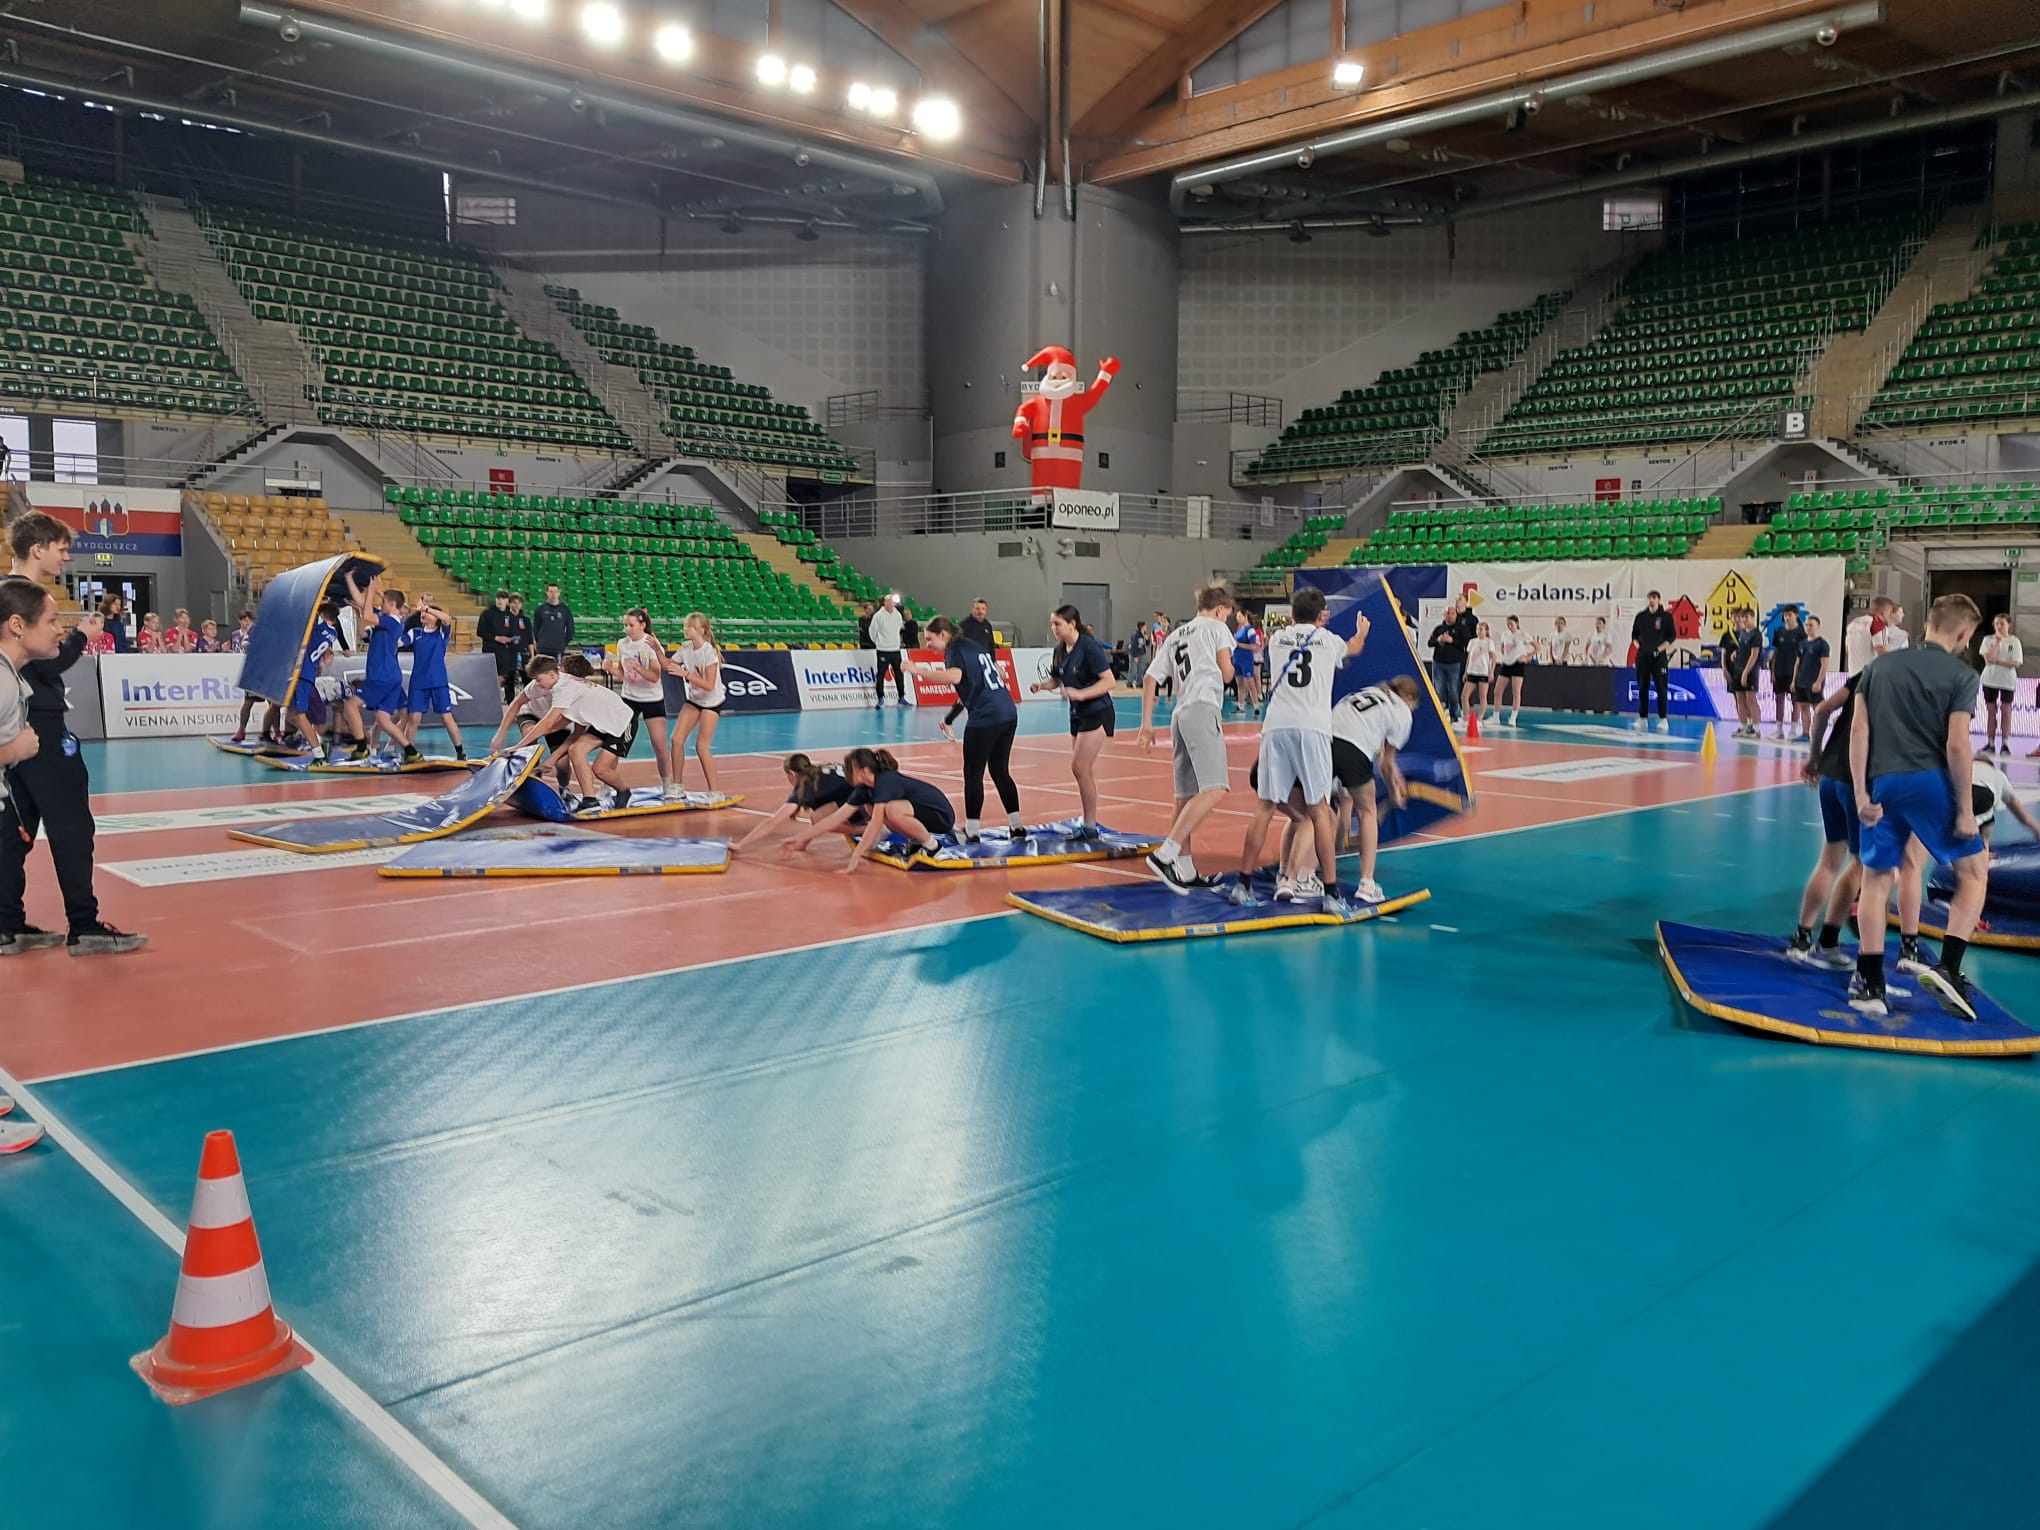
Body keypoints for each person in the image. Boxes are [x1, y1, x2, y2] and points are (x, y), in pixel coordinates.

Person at [3, 518, 141, 957]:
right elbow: (46, 662)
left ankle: (7, 923)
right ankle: (83, 924)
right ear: (38, 548)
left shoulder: (9, 593)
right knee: (72, 826)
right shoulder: (22, 600)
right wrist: (82, 637)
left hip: (19, 725)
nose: (66, 557)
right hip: (39, 726)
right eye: (61, 549)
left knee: (15, 830)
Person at [1849, 593, 1988, 1019]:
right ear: (1963, 634)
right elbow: (1958, 745)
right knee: (1974, 872)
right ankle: (1949, 967)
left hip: (1882, 782)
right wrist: (1965, 810)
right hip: (1929, 783)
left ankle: (1870, 984)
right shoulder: (1963, 675)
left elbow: (1858, 731)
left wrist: (1861, 794)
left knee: (1876, 880)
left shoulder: (1878, 667)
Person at [1235, 586, 1369, 913]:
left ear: (1292, 614)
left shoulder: (1278, 639)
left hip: (1277, 725)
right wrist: (1361, 632)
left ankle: (1243, 884)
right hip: (1312, 727)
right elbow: (1353, 648)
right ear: (1322, 615)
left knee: (1265, 807)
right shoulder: (1329, 641)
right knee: (1319, 810)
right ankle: (1331, 893)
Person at [915, 615, 1022, 839]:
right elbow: (983, 676)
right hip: (1007, 712)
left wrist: (918, 671)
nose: (928, 644)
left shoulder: (954, 650)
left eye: (930, 639)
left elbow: (955, 676)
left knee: (973, 774)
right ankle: (1017, 826)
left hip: (986, 717)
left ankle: (972, 832)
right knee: (1000, 771)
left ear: (944, 635)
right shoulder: (973, 645)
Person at [784, 745, 957, 874]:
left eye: (849, 769)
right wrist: (799, 838)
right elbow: (836, 818)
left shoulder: (885, 781)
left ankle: (934, 847)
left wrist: (855, 857)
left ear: (863, 770)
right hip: (920, 813)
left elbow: (876, 824)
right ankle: (917, 840)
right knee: (874, 809)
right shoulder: (864, 789)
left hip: (940, 815)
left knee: (891, 810)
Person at [1327, 675, 1418, 904]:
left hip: (1323, 742)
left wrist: (1396, 777)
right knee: (1367, 811)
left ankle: (1297, 873)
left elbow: (1383, 756)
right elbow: (1385, 763)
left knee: (1317, 810)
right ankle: (1367, 883)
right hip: (1353, 749)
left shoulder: (1372, 693)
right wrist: (1394, 794)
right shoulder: (1402, 712)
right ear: (1409, 698)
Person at [1032, 604, 1117, 837]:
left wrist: (1081, 694)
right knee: (1083, 770)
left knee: (1079, 767)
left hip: (1097, 711)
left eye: (1058, 623)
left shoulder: (1089, 647)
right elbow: (1057, 679)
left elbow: (1109, 681)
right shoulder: (1060, 650)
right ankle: (1087, 821)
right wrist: (1042, 686)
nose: (1054, 628)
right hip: (1077, 714)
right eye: (1052, 623)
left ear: (1072, 624)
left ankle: (1090, 826)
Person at [513, 655, 638, 813]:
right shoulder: (562, 685)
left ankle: (624, 791)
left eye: (538, 679)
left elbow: (547, 724)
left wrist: (518, 746)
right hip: (602, 723)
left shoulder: (563, 689)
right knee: (576, 750)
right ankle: (590, 800)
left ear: (551, 675)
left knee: (601, 770)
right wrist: (553, 758)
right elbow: (574, 732)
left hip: (622, 722)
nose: (537, 684)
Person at [732, 752, 864, 855]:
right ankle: (863, 826)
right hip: (867, 801)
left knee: (818, 818)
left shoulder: (807, 786)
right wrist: (803, 842)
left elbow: (773, 821)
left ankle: (861, 829)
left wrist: (741, 844)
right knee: (820, 812)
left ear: (792, 774)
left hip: (862, 807)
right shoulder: (823, 771)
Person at [607, 607, 671, 795]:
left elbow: (655, 677)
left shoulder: (651, 644)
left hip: (652, 699)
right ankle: (607, 782)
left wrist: (638, 667)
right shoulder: (622, 644)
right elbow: (622, 675)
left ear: (642, 624)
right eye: (625, 625)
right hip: (629, 698)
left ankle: (668, 784)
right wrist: (611, 669)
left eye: (631, 625)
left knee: (659, 744)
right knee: (617, 741)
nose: (627, 629)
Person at [664, 612, 725, 797]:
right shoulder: (685, 648)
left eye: (689, 627)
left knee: (701, 747)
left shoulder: (709, 652)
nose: (685, 629)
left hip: (711, 702)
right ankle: (677, 785)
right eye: (685, 626)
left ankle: (714, 791)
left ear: (701, 630)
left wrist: (686, 674)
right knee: (676, 740)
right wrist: (656, 649)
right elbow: (668, 665)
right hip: (694, 700)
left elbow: (708, 685)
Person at [403, 598, 465, 761]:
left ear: (435, 618)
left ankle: (460, 751)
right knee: (413, 718)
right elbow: (400, 642)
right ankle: (409, 753)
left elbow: (447, 619)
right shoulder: (416, 632)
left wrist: (427, 608)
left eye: (428, 613)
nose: (423, 614)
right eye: (422, 613)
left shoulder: (441, 633)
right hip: (418, 682)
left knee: (446, 717)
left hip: (438, 681)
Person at [360, 589, 418, 762]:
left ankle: (389, 747)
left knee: (400, 714)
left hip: (390, 675)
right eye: (402, 613)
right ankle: (375, 747)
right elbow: (367, 625)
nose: (403, 616)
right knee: (383, 717)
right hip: (388, 674)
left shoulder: (397, 628)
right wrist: (375, 592)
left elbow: (398, 639)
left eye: (405, 614)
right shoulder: (384, 627)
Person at [1970, 756, 2040, 846]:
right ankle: (1985, 847)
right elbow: (2023, 816)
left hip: (1961, 795)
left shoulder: (1965, 767)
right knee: (1987, 821)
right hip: (1984, 797)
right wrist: (2037, 831)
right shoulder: (1999, 775)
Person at [1630, 590, 1675, 732]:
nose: (1651, 600)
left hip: (1658, 658)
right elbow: (1634, 636)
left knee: (1661, 688)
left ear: (1659, 600)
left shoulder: (1666, 617)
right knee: (1643, 688)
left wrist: (1659, 649)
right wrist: (1640, 647)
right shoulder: (1641, 617)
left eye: (1654, 598)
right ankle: (1642, 718)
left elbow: (1671, 637)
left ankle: (1663, 719)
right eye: (1649, 597)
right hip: (1643, 658)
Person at [1978, 613, 2022, 757]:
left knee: (2006, 711)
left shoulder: (2014, 641)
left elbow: (2015, 662)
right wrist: (1997, 643)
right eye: (1996, 624)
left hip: (2007, 681)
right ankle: (1990, 742)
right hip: (1990, 679)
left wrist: (1997, 661)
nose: (1999, 626)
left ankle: (2005, 743)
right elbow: (1988, 659)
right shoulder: (1988, 640)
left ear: (2009, 625)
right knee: (1991, 711)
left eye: (2002, 624)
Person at [1722, 608, 1763, 738]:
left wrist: (1746, 672)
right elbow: (1742, 648)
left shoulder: (1756, 634)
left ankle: (1755, 728)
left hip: (1750, 670)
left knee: (1750, 699)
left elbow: (1754, 655)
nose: (1744, 620)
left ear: (1752, 617)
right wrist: (1736, 653)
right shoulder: (1743, 633)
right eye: (1743, 617)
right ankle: (1744, 726)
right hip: (1738, 668)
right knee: (1739, 698)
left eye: (1746, 617)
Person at [1791, 614, 1830, 743]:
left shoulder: (1822, 644)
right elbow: (1797, 663)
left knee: (1818, 710)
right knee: (1803, 707)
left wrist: (1819, 681)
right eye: (1806, 625)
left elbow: (1825, 664)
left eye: (1811, 625)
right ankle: (1805, 734)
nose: (1808, 627)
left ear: (1818, 627)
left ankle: (1817, 735)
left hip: (1814, 682)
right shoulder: (1802, 644)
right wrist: (1794, 680)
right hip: (1801, 681)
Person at [1767, 605, 1804, 740]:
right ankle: (1779, 730)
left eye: (1790, 615)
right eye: (1785, 615)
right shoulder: (1779, 632)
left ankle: (1793, 731)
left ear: (1796, 615)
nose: (1787, 617)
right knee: (1779, 700)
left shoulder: (1802, 633)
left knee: (1796, 702)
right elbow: (1775, 653)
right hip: (1780, 671)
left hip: (1794, 673)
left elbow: (1803, 655)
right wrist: (1772, 671)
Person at [1843, 595, 1902, 675]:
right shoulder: (1878, 625)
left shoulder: (1853, 623)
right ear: (1884, 612)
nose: (1891, 615)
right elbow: (1882, 653)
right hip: (1869, 674)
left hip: (1853, 673)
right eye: (1890, 612)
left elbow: (1848, 649)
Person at [1426, 604, 1465, 721]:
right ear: (1444, 615)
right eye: (1447, 613)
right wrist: (1438, 640)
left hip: (1454, 664)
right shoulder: (1439, 629)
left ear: (1456, 615)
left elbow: (1466, 643)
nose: (1450, 616)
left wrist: (1452, 641)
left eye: (1452, 613)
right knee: (1438, 689)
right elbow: (1429, 643)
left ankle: (1454, 714)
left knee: (1453, 690)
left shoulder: (1461, 629)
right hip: (1438, 663)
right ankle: (1438, 713)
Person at [478, 589, 517, 703]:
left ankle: (496, 696)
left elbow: (513, 633)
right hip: (489, 649)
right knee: (489, 674)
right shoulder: (487, 613)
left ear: (507, 601)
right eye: (498, 598)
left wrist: (511, 639)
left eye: (503, 598)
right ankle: (487, 697)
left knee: (502, 675)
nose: (500, 601)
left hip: (504, 651)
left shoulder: (510, 616)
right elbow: (480, 631)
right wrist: (496, 638)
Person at [868, 593, 906, 707]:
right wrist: (879, 643)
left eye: (892, 601)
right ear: (884, 602)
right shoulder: (878, 616)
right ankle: (880, 699)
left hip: (895, 650)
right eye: (888, 601)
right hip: (883, 650)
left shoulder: (898, 615)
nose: (890, 603)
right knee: (881, 675)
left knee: (899, 674)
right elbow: (872, 631)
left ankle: (901, 697)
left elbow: (899, 628)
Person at [1493, 614, 1530, 729]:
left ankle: (1513, 717)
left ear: (1517, 623)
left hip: (1517, 665)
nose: (1509, 626)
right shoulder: (1505, 634)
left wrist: (1527, 657)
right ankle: (1496, 716)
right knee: (1497, 691)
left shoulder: (1522, 634)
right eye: (1508, 624)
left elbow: (1537, 646)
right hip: (1506, 664)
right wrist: (1505, 655)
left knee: (1516, 691)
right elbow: (1503, 647)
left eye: (1511, 624)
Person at [1462, 620, 1495, 730]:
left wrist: (1491, 671)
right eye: (1477, 629)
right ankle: (1465, 717)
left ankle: (1480, 718)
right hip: (1472, 671)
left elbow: (1493, 658)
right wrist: (1466, 671)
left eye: (1481, 629)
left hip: (1483, 672)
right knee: (1464, 696)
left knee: (1482, 696)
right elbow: (1469, 657)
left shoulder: (1489, 642)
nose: (1479, 631)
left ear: (1486, 631)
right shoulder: (1472, 642)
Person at [1231, 610, 1264, 717]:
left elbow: (1254, 647)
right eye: (1237, 616)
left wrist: (1239, 644)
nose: (1237, 618)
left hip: (1246, 660)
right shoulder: (1240, 629)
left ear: (1245, 616)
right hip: (1237, 659)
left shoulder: (1250, 630)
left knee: (1250, 684)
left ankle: (1256, 707)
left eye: (1239, 616)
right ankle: (1241, 707)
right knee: (1240, 685)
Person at [533, 582, 575, 663]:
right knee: (543, 669)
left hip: (558, 648)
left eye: (555, 591)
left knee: (557, 669)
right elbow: (535, 628)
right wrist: (540, 642)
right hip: (543, 648)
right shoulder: (540, 609)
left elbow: (571, 628)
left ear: (559, 593)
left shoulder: (565, 610)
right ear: (547, 593)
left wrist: (564, 643)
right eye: (551, 592)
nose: (553, 594)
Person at [505, 592, 534, 688]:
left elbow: (530, 639)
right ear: (509, 603)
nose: (516, 605)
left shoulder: (526, 620)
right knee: (509, 681)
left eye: (519, 603)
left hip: (523, 653)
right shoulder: (504, 618)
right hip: (509, 653)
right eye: (514, 602)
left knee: (528, 680)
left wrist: (532, 656)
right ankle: (510, 698)